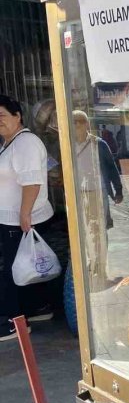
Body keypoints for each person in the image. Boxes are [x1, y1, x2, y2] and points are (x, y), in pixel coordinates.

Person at [0, 94, 56, 341]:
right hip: (13, 217)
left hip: (21, 219)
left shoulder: (26, 143)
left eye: (1, 115)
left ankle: (15, 322)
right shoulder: (9, 142)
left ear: (17, 116)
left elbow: (32, 182)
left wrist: (25, 216)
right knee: (27, 265)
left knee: (13, 270)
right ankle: (37, 308)